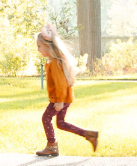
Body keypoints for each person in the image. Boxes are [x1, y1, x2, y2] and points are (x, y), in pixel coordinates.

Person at [34, 24, 99, 157]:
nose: (38, 49)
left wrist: (59, 101)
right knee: (61, 123)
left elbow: (61, 84)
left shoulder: (54, 63)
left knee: (46, 118)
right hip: (62, 98)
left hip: (60, 98)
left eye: (39, 46)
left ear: (48, 46)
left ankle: (52, 146)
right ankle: (90, 135)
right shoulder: (54, 61)